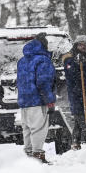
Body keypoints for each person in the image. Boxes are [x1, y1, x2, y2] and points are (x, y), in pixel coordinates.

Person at [17, 32, 56, 163]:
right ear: (43, 45)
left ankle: (28, 156)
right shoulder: (42, 60)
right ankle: (37, 157)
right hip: (38, 100)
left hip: (24, 101)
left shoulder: (22, 60)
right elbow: (43, 82)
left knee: (27, 129)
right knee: (39, 129)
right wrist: (49, 101)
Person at [63, 35, 86, 149]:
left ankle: (76, 144)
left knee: (79, 124)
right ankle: (85, 144)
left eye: (85, 45)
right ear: (76, 46)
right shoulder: (70, 59)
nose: (82, 47)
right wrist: (77, 64)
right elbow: (71, 75)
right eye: (80, 44)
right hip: (77, 97)